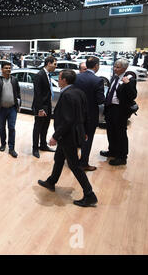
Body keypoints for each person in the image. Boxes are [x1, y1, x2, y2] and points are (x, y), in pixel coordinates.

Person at [38, 70, 98, 208]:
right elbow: (85, 113)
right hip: (76, 133)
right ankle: (51, 181)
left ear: (64, 80)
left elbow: (67, 120)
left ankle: (89, 194)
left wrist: (55, 136)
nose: (58, 80)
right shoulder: (79, 92)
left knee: (74, 166)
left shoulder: (67, 95)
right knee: (59, 159)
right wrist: (85, 131)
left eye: (59, 78)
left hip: (68, 136)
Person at [100, 59, 137, 166]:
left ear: (125, 68)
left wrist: (128, 84)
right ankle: (112, 151)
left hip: (120, 110)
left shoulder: (130, 79)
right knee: (111, 131)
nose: (115, 69)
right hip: (110, 108)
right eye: (115, 66)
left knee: (120, 133)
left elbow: (133, 95)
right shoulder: (114, 77)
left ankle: (122, 157)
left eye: (118, 67)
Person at [74, 57, 105, 171]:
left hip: (76, 113)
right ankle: (83, 163)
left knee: (75, 137)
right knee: (87, 140)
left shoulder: (76, 77)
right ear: (96, 65)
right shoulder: (98, 80)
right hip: (90, 116)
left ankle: (72, 161)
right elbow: (100, 100)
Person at [0, 62, 21, 158]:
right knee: (2, 127)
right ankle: (3, 144)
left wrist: (19, 105)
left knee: (12, 128)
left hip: (12, 109)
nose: (8, 69)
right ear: (2, 69)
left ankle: (11, 148)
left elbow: (18, 93)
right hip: (1, 109)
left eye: (9, 68)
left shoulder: (14, 80)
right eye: (6, 68)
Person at [32, 56, 57, 158]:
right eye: (54, 64)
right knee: (38, 128)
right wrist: (40, 109)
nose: (56, 66)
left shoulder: (47, 75)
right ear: (48, 63)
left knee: (45, 127)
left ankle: (43, 145)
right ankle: (35, 148)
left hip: (48, 105)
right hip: (41, 107)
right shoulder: (40, 75)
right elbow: (37, 94)